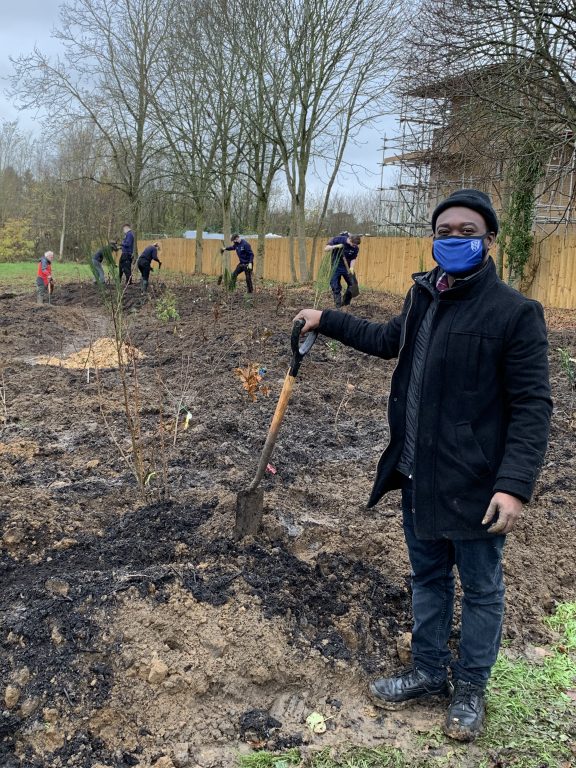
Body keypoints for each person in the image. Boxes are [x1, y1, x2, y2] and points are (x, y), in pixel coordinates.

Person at [293, 189, 552, 742]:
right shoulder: (421, 297)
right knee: (428, 577)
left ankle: (470, 690)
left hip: (478, 484)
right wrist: (326, 319)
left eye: (466, 231)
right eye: (445, 230)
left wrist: (513, 487)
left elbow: (534, 407)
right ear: (433, 238)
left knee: (482, 589)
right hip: (416, 473)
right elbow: (388, 341)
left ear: (489, 241)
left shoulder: (514, 313)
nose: (453, 238)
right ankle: (430, 672)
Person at [325, 232, 361, 307]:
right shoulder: (339, 239)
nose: (354, 246)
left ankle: (345, 303)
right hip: (336, 267)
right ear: (350, 240)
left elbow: (353, 258)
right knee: (335, 286)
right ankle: (338, 305)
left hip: (347, 268)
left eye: (356, 245)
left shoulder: (356, 248)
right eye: (354, 245)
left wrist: (351, 267)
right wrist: (335, 246)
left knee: (353, 284)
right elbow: (326, 249)